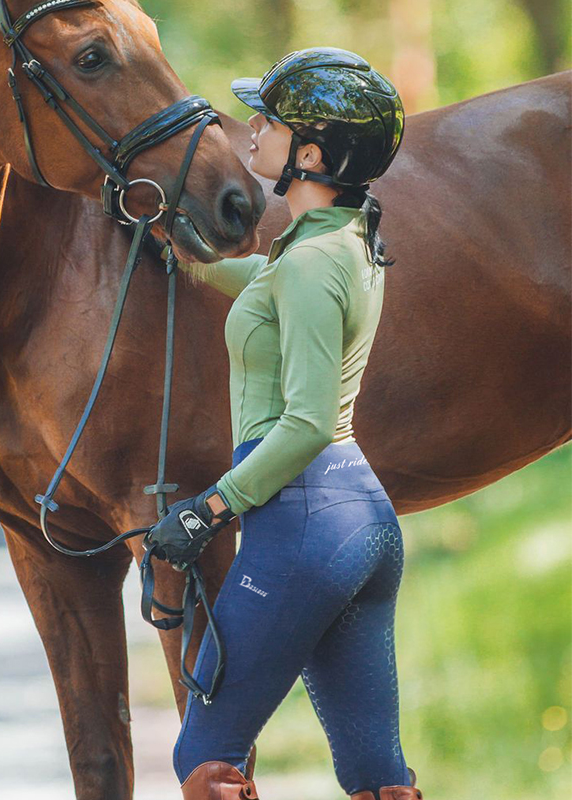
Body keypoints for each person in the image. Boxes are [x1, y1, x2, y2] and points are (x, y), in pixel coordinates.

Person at [144, 47, 419, 800]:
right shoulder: (336, 242)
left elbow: (302, 424)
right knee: (375, 776)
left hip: (302, 521)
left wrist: (210, 508)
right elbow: (263, 281)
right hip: (358, 522)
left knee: (205, 759)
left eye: (269, 120)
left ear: (311, 153)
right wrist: (186, 255)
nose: (250, 129)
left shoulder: (306, 264)